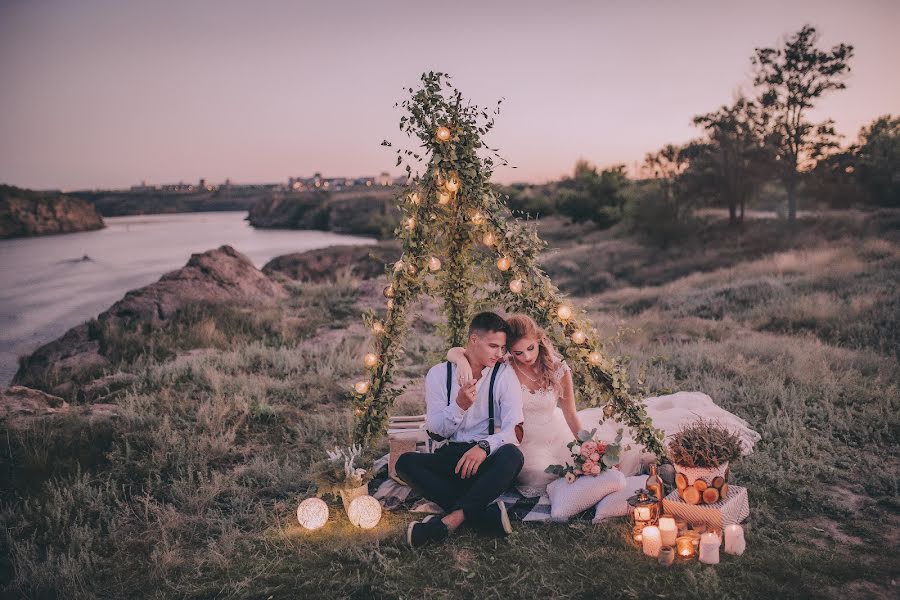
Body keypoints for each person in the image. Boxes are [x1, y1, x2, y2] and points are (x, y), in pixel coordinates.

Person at [396, 311, 525, 548]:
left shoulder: (504, 374)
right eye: (493, 346)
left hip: (487, 462)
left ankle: (449, 521)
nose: (500, 354)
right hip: (451, 457)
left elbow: (515, 431)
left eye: (502, 347)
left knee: (513, 456)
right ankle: (483, 514)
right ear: (474, 340)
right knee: (404, 463)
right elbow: (435, 432)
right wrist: (459, 406)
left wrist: (484, 447)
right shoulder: (438, 374)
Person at [448, 313, 582, 497]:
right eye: (518, 352)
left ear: (539, 339)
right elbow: (456, 351)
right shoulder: (505, 366)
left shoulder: (558, 369)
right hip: (522, 442)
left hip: (555, 433)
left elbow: (571, 414)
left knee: (578, 464)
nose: (527, 357)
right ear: (509, 350)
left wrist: (587, 445)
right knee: (540, 474)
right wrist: (461, 361)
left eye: (530, 348)